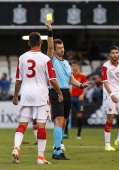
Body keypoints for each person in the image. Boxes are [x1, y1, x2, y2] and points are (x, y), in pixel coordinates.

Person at [11, 32, 63, 164]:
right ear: (41, 42)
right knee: (41, 126)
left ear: (29, 43)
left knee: (22, 125)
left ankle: (17, 148)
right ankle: (40, 157)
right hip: (41, 95)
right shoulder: (45, 59)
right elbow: (52, 79)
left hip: (26, 94)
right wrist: (59, 93)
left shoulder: (22, 58)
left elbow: (18, 81)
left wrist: (16, 96)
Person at [46, 21, 89, 160]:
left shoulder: (65, 62)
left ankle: (56, 149)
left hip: (66, 93)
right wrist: (50, 30)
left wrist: (81, 85)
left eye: (63, 47)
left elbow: (71, 79)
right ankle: (58, 151)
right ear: (55, 49)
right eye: (59, 47)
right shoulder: (51, 59)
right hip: (56, 91)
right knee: (58, 120)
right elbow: (50, 45)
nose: (62, 49)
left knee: (63, 122)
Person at [64, 60, 87, 139]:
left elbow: (84, 86)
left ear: (78, 66)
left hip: (79, 98)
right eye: (72, 66)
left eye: (75, 65)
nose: (74, 67)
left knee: (79, 116)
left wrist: (83, 95)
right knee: (67, 115)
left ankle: (78, 134)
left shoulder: (82, 75)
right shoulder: (70, 75)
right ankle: (66, 133)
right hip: (71, 97)